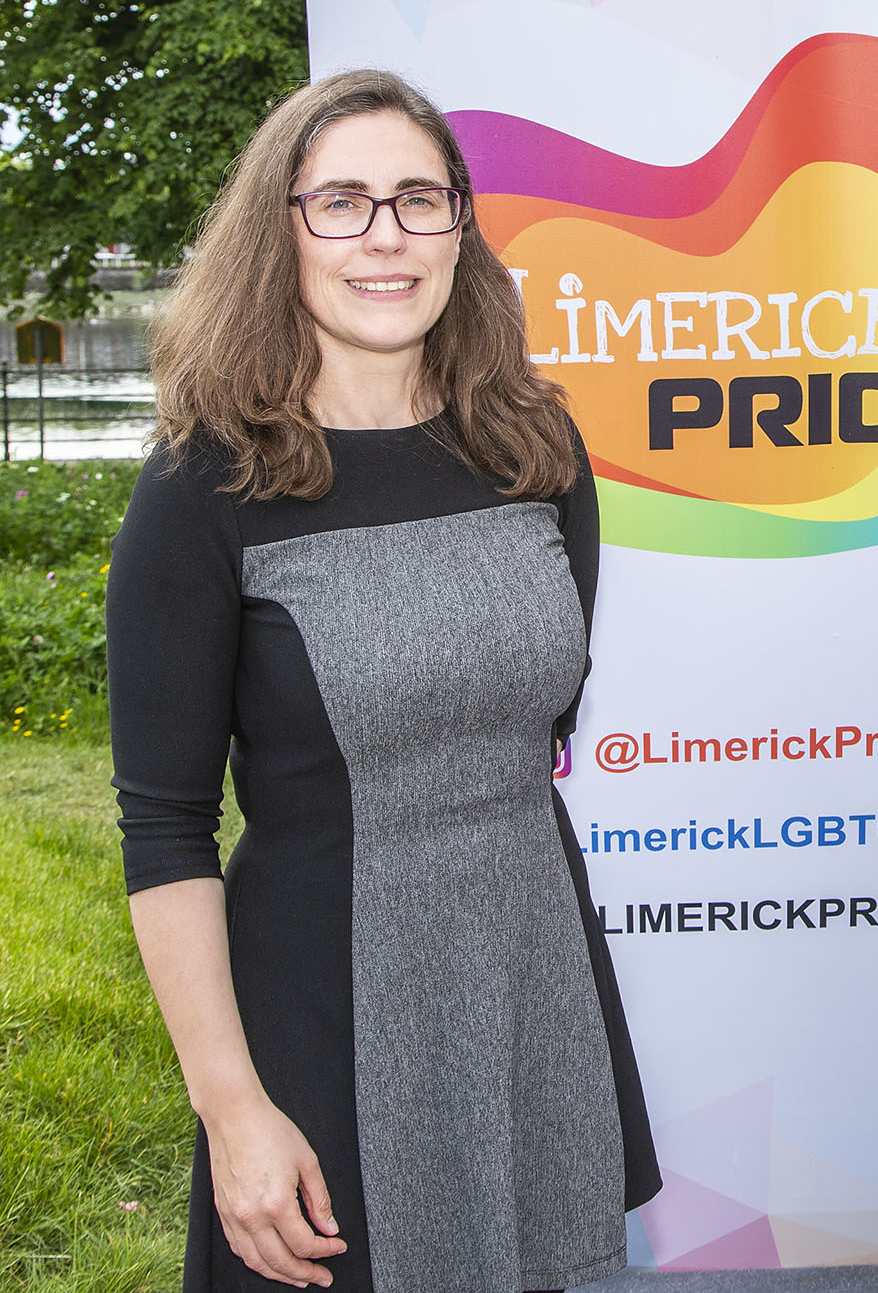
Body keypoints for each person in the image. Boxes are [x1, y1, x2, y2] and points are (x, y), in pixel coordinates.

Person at [108, 69, 660, 1293]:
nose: (386, 237)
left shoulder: (535, 444)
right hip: (322, 1005)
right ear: (280, 230)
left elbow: (542, 721)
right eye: (342, 202)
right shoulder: (204, 486)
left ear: (462, 227)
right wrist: (232, 1108)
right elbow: (164, 832)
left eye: (419, 199)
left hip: (528, 979)